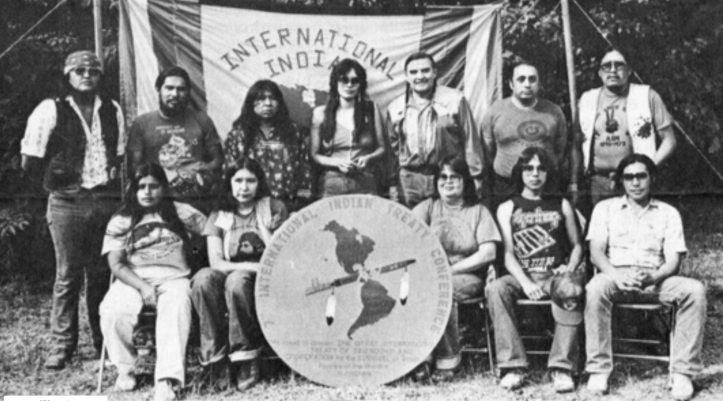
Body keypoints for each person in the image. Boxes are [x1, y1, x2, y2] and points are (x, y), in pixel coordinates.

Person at [20, 50, 125, 369]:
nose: (86, 76)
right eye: (79, 71)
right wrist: (58, 185)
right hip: (67, 201)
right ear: (67, 76)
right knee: (67, 275)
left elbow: (119, 154)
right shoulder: (50, 109)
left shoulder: (112, 109)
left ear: (100, 76)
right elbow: (30, 160)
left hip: (104, 199)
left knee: (101, 273)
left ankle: (102, 340)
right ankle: (62, 344)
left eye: (93, 71)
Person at [585, 154, 706, 400]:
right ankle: (599, 369)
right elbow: (596, 253)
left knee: (695, 290)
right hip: (615, 276)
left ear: (652, 179)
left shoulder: (668, 213)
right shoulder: (605, 209)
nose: (635, 182)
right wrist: (617, 275)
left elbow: (673, 260)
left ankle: (682, 372)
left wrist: (653, 276)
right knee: (594, 288)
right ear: (621, 181)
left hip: (655, 279)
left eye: (641, 176)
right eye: (629, 177)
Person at [99, 163, 206, 401]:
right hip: (134, 278)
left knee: (175, 308)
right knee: (112, 310)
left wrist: (198, 251)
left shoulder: (180, 211)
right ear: (134, 190)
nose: (147, 192)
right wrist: (143, 286)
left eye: (153, 186)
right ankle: (126, 368)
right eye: (141, 187)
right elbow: (116, 264)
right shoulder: (123, 219)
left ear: (163, 188)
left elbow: (212, 230)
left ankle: (167, 380)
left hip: (175, 278)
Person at [486, 147, 584, 393]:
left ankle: (562, 367)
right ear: (520, 172)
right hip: (521, 275)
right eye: (528, 168)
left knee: (571, 289)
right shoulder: (508, 207)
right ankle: (513, 366)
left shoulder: (561, 204)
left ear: (548, 173)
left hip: (554, 275)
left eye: (541, 169)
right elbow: (508, 254)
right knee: (496, 289)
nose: (535, 174)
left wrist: (569, 269)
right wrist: (526, 283)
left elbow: (577, 246)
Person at [191, 157, 288, 392]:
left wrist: (264, 231)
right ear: (229, 183)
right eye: (238, 181)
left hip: (264, 278)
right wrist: (253, 266)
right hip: (238, 271)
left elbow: (281, 253)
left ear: (259, 182)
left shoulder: (272, 207)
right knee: (203, 279)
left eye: (250, 181)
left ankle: (246, 357)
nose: (244, 187)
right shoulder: (220, 214)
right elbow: (216, 262)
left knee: (237, 281)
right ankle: (215, 359)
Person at [411, 155, 500, 381]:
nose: (448, 181)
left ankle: (448, 360)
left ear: (465, 181)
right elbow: (405, 236)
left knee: (443, 288)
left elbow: (488, 252)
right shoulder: (428, 208)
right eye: (443, 177)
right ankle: (420, 358)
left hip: (468, 276)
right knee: (417, 287)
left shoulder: (478, 211)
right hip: (430, 274)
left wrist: (451, 270)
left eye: (455, 177)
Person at [574, 49, 677, 208]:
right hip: (597, 182)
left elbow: (669, 141)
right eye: (607, 66)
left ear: (629, 70)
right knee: (600, 222)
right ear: (600, 73)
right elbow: (576, 143)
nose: (613, 70)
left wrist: (649, 167)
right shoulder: (587, 99)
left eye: (619, 65)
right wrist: (574, 183)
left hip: (636, 180)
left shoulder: (647, 95)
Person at [387, 52, 484, 208]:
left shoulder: (455, 100)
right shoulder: (395, 107)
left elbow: (470, 141)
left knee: (446, 220)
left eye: (425, 70)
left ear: (435, 72)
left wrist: (476, 176)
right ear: (406, 76)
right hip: (409, 181)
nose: (420, 76)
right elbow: (392, 152)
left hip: (446, 177)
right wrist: (392, 184)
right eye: (413, 72)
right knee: (411, 222)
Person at [128, 65, 224, 210]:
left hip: (196, 201)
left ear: (188, 92)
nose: (174, 94)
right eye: (169, 88)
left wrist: (201, 170)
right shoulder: (141, 124)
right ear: (159, 90)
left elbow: (218, 160)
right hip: (156, 201)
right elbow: (134, 168)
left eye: (181, 89)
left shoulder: (202, 120)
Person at [481, 62, 568, 206]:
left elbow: (560, 150)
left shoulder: (554, 111)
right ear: (511, 84)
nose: (527, 84)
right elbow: (488, 151)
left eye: (532, 79)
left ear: (538, 83)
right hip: (505, 185)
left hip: (545, 185)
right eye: (521, 79)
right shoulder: (495, 111)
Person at [224, 79, 312, 211]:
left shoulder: (293, 132)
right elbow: (228, 173)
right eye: (260, 99)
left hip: (287, 205)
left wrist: (300, 206)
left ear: (279, 103)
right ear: (251, 103)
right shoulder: (238, 135)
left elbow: (304, 170)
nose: (268, 103)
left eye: (272, 98)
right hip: (250, 205)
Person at [310, 58, 386, 197]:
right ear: (335, 82)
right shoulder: (321, 113)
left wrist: (368, 158)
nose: (349, 85)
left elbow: (382, 148)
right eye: (344, 80)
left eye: (355, 81)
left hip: (365, 180)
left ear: (361, 84)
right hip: (332, 182)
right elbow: (314, 154)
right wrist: (336, 162)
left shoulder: (371, 109)